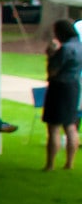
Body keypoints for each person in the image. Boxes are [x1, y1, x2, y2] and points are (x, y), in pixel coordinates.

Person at [43, 18, 81, 170]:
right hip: (74, 86)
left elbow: (53, 71)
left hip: (59, 87)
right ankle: (69, 163)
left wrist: (51, 54)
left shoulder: (65, 49)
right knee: (71, 125)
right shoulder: (80, 46)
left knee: (53, 127)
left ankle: (50, 164)